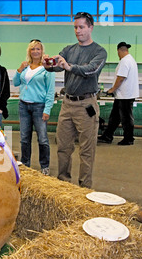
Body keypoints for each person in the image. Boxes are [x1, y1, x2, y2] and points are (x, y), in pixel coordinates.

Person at [43, 12, 107, 188]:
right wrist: (48, 63)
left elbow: (90, 70)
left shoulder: (99, 52)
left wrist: (68, 66)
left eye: (81, 27)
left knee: (86, 150)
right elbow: (55, 67)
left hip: (86, 105)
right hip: (67, 103)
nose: (77, 31)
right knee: (63, 146)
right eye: (75, 27)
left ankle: (84, 188)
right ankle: (64, 185)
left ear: (90, 28)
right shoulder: (69, 50)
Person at [13, 40, 55, 175]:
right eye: (32, 49)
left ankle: (45, 166)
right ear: (29, 52)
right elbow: (15, 82)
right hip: (23, 106)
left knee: (42, 138)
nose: (35, 52)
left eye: (38, 49)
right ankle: (26, 164)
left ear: (42, 51)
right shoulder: (25, 67)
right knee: (24, 138)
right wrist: (19, 70)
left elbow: (50, 90)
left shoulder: (47, 68)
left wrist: (47, 109)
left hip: (39, 106)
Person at [98, 42, 139, 146]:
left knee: (126, 118)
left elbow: (121, 78)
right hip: (123, 95)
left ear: (119, 50)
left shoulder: (125, 61)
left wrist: (112, 90)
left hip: (125, 95)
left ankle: (129, 139)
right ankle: (108, 135)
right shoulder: (130, 60)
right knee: (115, 117)